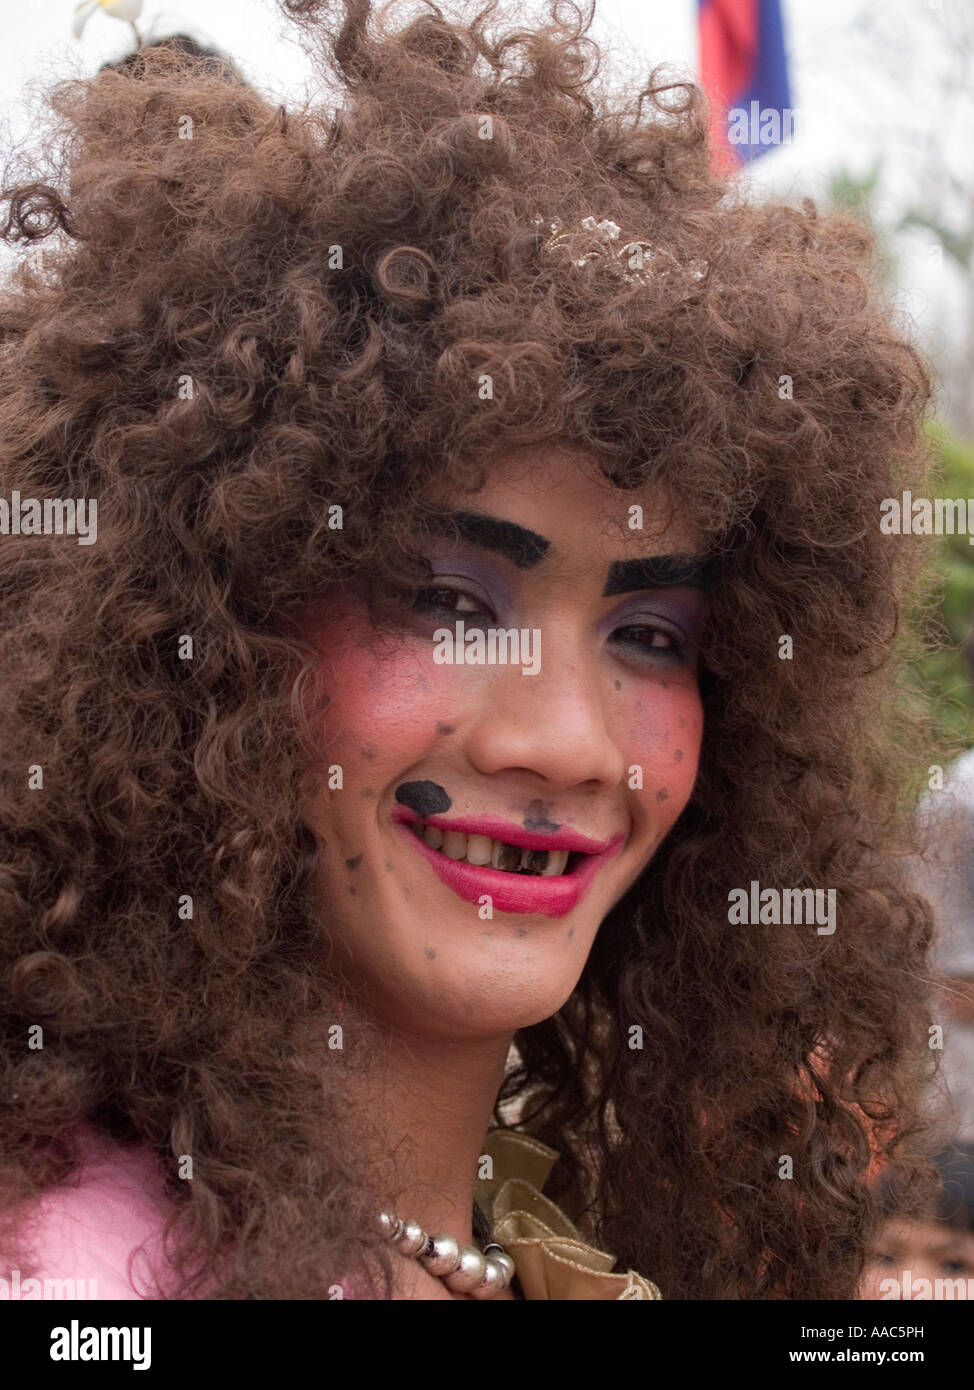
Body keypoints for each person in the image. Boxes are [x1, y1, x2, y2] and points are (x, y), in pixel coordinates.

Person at [0, 0, 944, 1300]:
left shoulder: (548, 1242)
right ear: (191, 640)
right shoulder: (73, 1278)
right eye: (447, 604)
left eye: (651, 632)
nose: (563, 737)